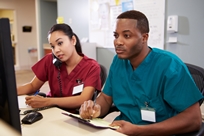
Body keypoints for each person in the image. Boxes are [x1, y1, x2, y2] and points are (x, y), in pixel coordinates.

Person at [79, 10, 203, 135]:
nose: (118, 42)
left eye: (126, 36)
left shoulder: (169, 65)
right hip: (121, 131)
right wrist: (96, 109)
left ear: (144, 38)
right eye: (116, 36)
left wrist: (139, 131)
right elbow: (106, 98)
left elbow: (194, 120)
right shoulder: (119, 61)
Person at [17, 23, 101, 113]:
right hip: (52, 111)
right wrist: (7, 91)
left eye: (60, 43)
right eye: (52, 46)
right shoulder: (50, 60)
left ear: (73, 40)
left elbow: (83, 99)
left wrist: (47, 102)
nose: (56, 50)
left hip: (76, 117)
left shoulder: (91, 66)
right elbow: (33, 86)